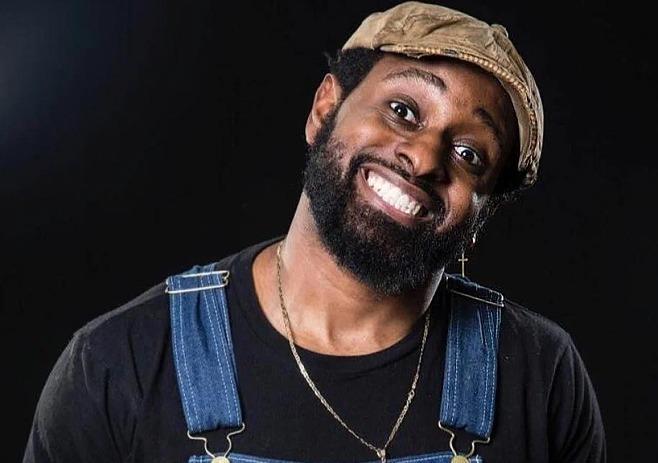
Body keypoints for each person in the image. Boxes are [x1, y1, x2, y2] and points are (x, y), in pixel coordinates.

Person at [23, 2, 606, 462]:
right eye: (403, 110)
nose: (425, 158)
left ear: (481, 212)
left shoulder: (539, 373)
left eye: (469, 153)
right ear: (325, 109)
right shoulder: (120, 363)